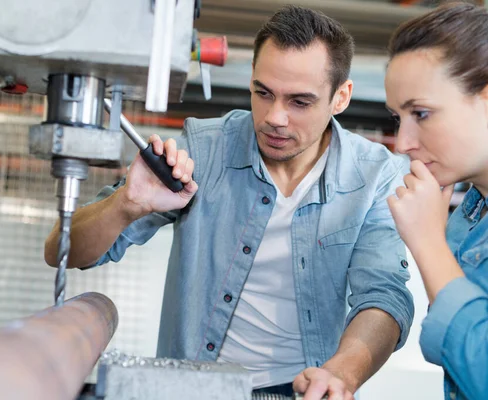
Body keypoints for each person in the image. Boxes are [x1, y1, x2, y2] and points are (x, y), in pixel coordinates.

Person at [45, 5, 414, 399]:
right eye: (263, 92)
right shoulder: (204, 151)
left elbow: (383, 295)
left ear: (341, 97)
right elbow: (62, 252)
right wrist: (126, 203)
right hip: (193, 388)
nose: (275, 117)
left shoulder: (374, 176)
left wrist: (340, 374)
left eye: (300, 102)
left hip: (304, 390)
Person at [385, 3, 488, 400]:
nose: (404, 143)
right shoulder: (468, 214)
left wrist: (427, 243)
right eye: (399, 118)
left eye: (422, 114)